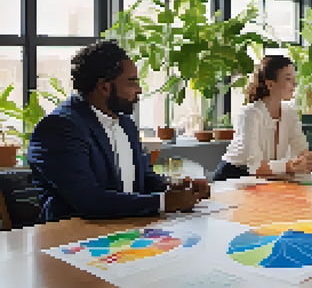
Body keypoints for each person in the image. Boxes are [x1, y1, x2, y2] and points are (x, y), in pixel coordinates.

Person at [28, 41, 209, 222]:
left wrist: (175, 186)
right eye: (132, 82)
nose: (139, 90)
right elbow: (88, 200)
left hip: (126, 230)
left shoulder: (125, 123)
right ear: (104, 87)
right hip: (73, 239)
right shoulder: (59, 128)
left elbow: (143, 178)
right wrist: (163, 202)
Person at [213, 55, 312, 181]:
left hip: (264, 180)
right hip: (232, 179)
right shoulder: (249, 114)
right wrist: (290, 166)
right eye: (288, 79)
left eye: (294, 78)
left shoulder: (289, 113)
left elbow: (302, 151)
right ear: (270, 84)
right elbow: (255, 167)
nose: (295, 83)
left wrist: (310, 161)